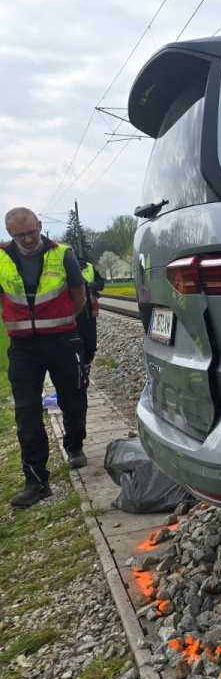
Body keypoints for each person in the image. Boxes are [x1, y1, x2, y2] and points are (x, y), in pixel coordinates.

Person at [0, 208, 88, 508]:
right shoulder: (2, 258)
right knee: (26, 412)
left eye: (31, 232)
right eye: (19, 235)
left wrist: (63, 321)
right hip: (23, 347)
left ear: (39, 225)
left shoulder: (62, 254)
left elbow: (78, 294)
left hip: (62, 340)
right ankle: (36, 481)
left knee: (73, 399)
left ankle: (74, 445)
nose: (27, 239)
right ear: (10, 233)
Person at [76, 255, 105, 383]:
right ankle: (78, 369)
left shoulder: (90, 267)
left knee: (90, 345)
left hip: (89, 313)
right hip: (74, 314)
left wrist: (93, 285)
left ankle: (85, 366)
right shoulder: (66, 266)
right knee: (76, 343)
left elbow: (101, 284)